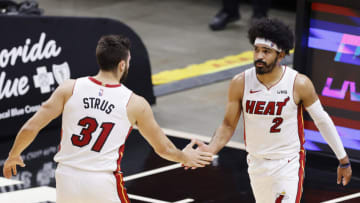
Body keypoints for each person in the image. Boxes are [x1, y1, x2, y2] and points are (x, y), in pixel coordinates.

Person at [2, 34, 213, 203]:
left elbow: (32, 126)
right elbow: (163, 149)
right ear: (122, 65)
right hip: (101, 181)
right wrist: (185, 157)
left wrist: (14, 155)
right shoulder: (135, 103)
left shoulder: (70, 88)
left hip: (66, 177)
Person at [197, 18, 352, 202]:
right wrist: (211, 148)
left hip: (286, 164)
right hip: (256, 163)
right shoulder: (240, 82)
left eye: (266, 51)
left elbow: (322, 120)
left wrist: (343, 159)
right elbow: (228, 124)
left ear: (281, 55)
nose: (259, 56)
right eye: (256, 50)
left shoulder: (298, 83)